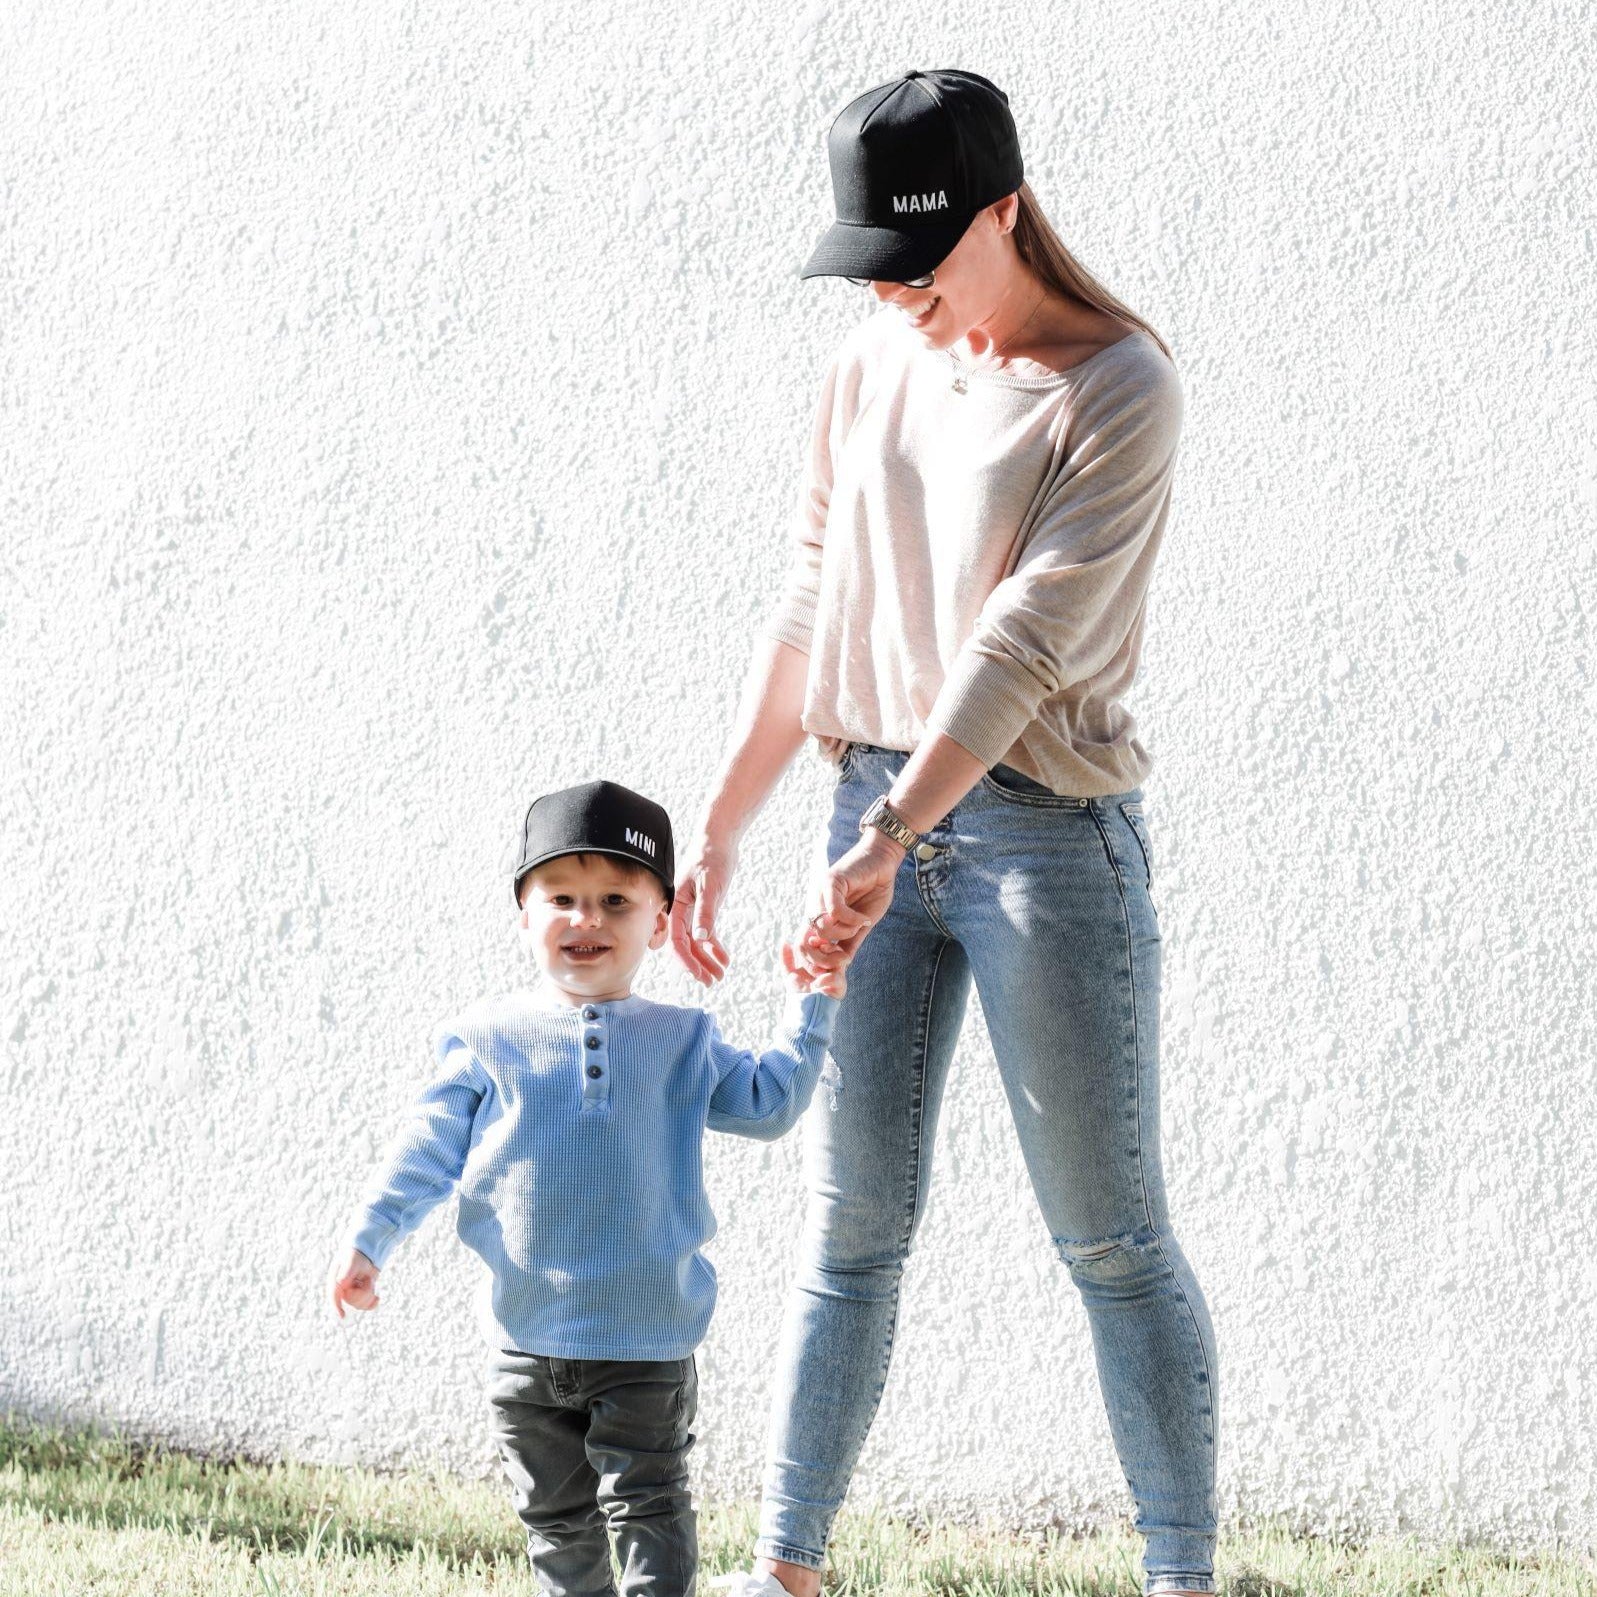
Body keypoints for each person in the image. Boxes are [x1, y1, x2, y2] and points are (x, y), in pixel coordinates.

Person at [675, 69, 1220, 1597]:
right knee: (848, 1227)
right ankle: (784, 1567)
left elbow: (1018, 650)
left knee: (1108, 1236)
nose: (893, 293)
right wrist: (728, 823)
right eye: (869, 267)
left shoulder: (1118, 387)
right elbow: (813, 593)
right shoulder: (871, 362)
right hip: (871, 804)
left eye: (916, 261)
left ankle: (1178, 1572)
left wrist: (892, 839)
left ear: (1004, 212)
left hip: (1043, 834)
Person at [327, 779, 848, 1597]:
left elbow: (769, 1103)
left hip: (646, 1343)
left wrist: (812, 998)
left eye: (615, 899)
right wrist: (371, 1241)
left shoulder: (683, 1039)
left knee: (652, 1513)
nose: (587, 919)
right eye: (561, 898)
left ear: (660, 918)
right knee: (556, 1524)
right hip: (524, 1343)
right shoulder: (484, 1038)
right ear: (524, 912)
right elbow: (425, 1150)